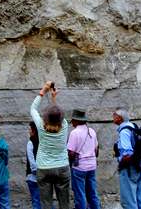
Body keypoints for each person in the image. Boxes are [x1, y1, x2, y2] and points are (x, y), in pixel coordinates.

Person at [30, 81, 70, 209]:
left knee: (46, 203)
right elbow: (56, 114)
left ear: (46, 118)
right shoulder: (64, 126)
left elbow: (33, 109)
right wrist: (54, 98)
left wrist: (43, 90)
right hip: (62, 166)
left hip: (44, 167)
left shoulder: (41, 126)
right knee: (64, 203)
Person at [67, 109, 100, 209]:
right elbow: (96, 151)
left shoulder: (74, 133)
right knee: (92, 192)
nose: (72, 122)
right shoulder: (92, 131)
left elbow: (71, 153)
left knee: (80, 194)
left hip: (79, 167)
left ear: (76, 120)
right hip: (92, 166)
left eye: (72, 120)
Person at [113, 108, 141, 209]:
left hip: (129, 168)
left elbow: (127, 154)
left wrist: (121, 165)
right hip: (139, 165)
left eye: (114, 115)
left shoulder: (124, 131)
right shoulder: (133, 126)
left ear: (119, 118)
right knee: (139, 198)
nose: (113, 117)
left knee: (128, 201)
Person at [26, 121, 41, 209]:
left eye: (30, 129)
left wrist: (36, 173)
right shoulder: (44, 142)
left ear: (34, 131)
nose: (29, 131)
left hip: (33, 177)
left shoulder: (30, 143)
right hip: (45, 176)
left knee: (36, 201)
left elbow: (32, 162)